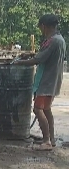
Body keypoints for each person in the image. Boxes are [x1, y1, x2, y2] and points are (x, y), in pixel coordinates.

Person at [13, 14, 65, 151]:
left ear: (44, 26)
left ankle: (47, 141)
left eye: (41, 27)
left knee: (38, 109)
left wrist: (19, 63)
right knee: (46, 109)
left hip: (46, 81)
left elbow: (39, 60)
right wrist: (29, 55)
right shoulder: (59, 39)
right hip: (53, 80)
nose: (41, 30)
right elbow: (43, 55)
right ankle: (51, 139)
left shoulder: (52, 41)